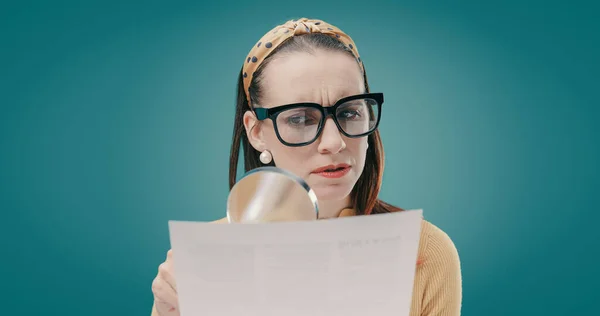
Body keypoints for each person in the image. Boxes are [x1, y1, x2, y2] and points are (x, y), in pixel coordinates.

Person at [150, 17, 462, 316]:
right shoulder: (200, 264)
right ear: (257, 132)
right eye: (300, 118)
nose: (333, 142)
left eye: (350, 112)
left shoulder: (426, 253)